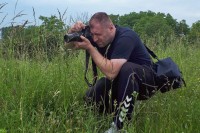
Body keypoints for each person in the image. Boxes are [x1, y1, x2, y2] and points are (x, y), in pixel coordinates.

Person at [67, 12, 157, 133]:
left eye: (98, 35)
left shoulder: (126, 37)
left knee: (127, 69)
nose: (94, 39)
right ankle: (112, 114)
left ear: (111, 28)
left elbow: (111, 72)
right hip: (121, 81)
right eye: (92, 35)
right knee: (92, 95)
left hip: (145, 83)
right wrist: (72, 32)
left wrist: (90, 48)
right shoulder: (98, 36)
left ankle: (119, 126)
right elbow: (69, 47)